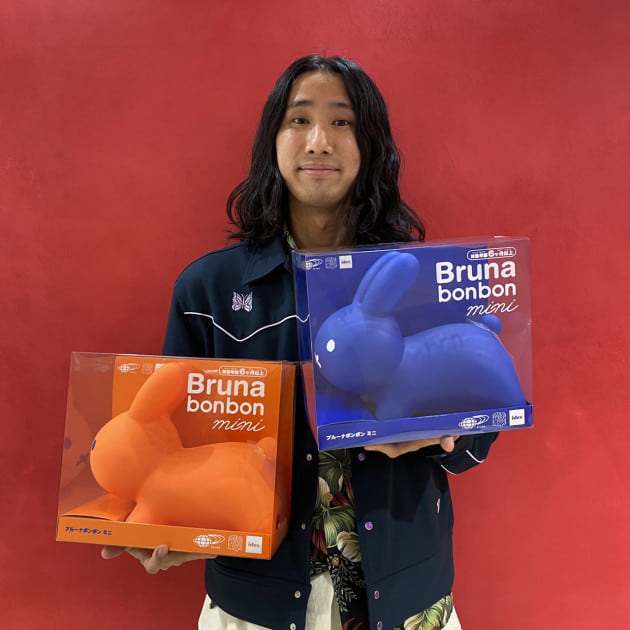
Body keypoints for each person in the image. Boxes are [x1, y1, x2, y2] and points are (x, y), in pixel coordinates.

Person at [102, 55, 497, 630]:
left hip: (408, 599)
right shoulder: (208, 289)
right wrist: (178, 532)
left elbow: (477, 435)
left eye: (342, 122)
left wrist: (445, 435)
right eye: (299, 119)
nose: (319, 141)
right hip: (255, 603)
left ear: (370, 144)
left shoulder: (419, 279)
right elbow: (171, 443)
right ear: (274, 139)